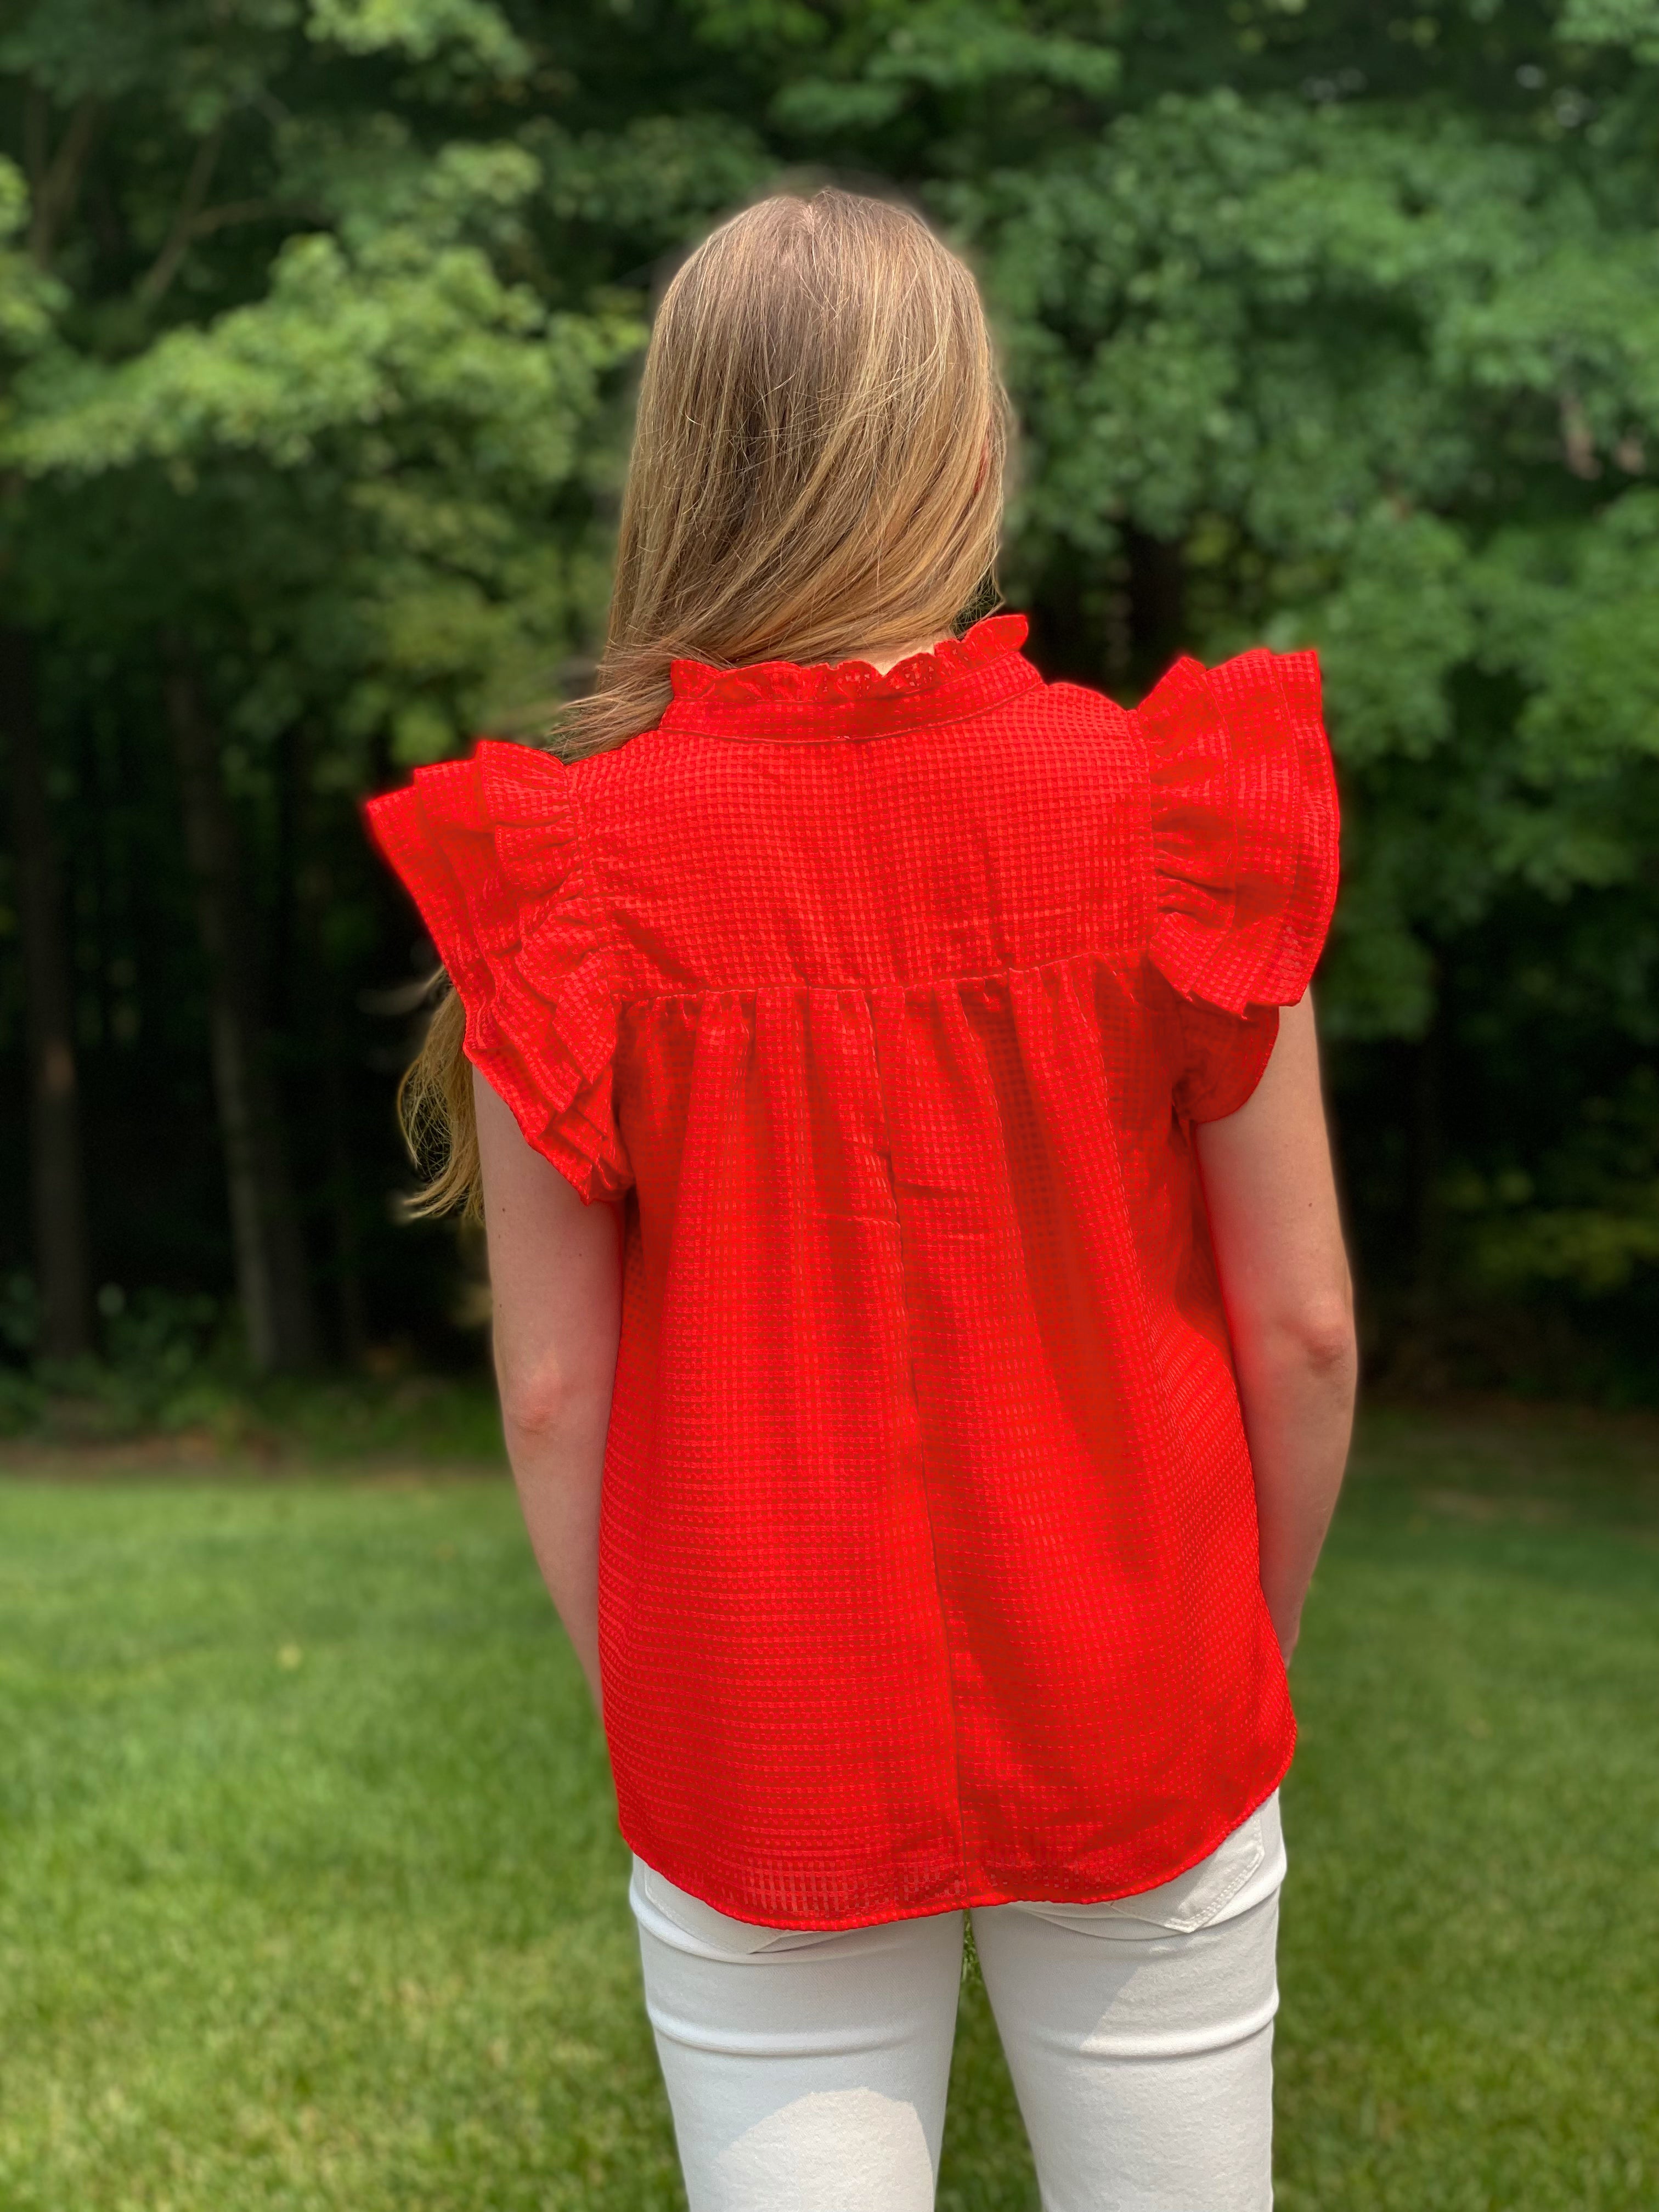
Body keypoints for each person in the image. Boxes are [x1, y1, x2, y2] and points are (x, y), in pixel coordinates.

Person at [364, 187, 1357, 2212]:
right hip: (1144, 1692)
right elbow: (1305, 1331)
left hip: (757, 1718)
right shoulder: (1171, 806)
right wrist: (1228, 1655)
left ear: (683, 469)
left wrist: (665, 1695)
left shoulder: (571, 872)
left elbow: (555, 1393)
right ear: (967, 449)